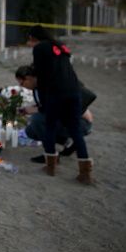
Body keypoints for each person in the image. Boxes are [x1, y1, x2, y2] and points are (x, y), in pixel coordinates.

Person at [26, 25, 93, 184]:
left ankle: (51, 167)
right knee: (75, 130)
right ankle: (85, 173)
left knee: (50, 127)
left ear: (34, 37)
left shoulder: (40, 48)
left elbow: (41, 77)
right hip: (74, 91)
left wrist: (42, 102)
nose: (28, 42)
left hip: (56, 92)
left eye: (29, 38)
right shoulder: (59, 46)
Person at [14, 65, 96, 164]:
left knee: (37, 120)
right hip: (65, 120)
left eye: (22, 83)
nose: (22, 86)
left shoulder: (50, 85)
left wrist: (34, 110)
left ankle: (50, 154)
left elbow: (56, 107)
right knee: (31, 131)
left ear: (28, 78)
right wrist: (31, 109)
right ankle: (67, 142)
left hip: (80, 123)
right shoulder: (37, 88)